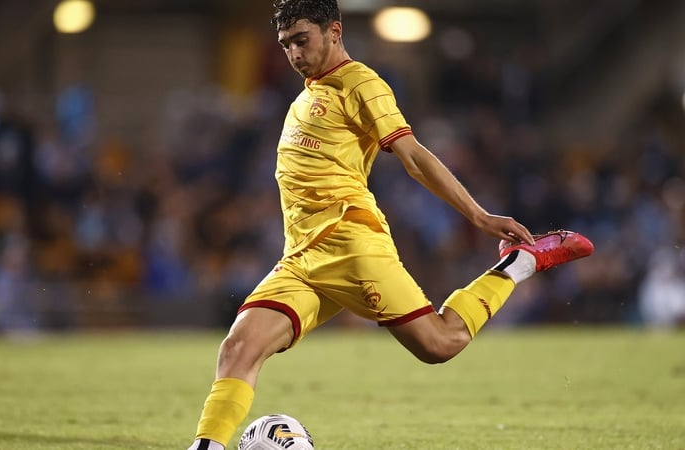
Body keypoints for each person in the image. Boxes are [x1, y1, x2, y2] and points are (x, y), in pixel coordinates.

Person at [187, 1, 594, 449]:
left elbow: (414, 156)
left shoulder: (361, 82)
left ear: (334, 32)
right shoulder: (308, 94)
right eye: (286, 45)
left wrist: (480, 216)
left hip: (352, 246)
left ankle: (517, 265)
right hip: (301, 258)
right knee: (238, 348)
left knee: (440, 343)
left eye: (302, 40)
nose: (294, 54)